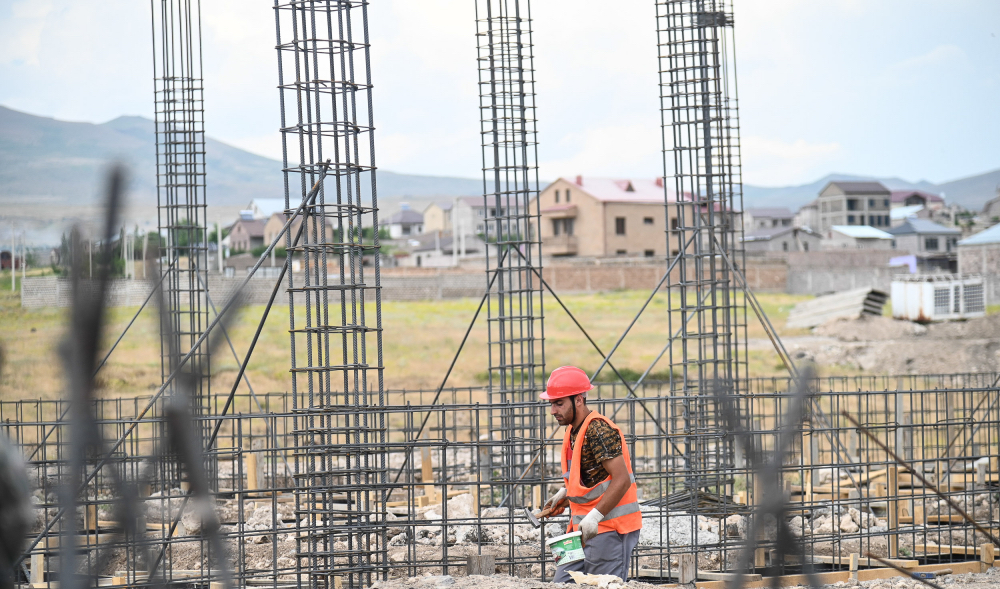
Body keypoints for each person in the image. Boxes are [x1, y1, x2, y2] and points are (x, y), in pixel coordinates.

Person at [541, 365, 642, 583]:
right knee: (561, 583)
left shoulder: (599, 430)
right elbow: (590, 477)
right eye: (551, 404)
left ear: (579, 400)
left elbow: (622, 480)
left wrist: (594, 517)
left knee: (602, 585)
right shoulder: (572, 430)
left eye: (559, 403)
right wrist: (565, 494)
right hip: (580, 529)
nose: (553, 410)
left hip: (608, 530)